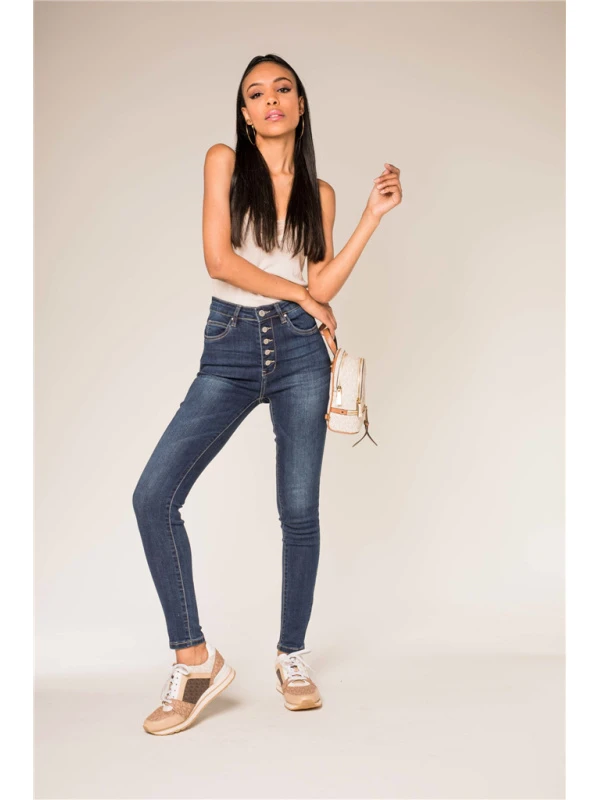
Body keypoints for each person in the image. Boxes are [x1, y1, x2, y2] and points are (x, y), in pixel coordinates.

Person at [132, 53, 402, 735]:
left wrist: (371, 216)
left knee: (299, 511)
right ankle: (195, 660)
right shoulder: (223, 161)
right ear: (245, 112)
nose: (270, 99)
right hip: (230, 345)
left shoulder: (321, 193)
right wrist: (301, 296)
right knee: (154, 496)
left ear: (300, 105)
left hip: (301, 353)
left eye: (283, 88)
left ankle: (291, 656)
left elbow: (323, 283)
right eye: (256, 93)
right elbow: (219, 260)